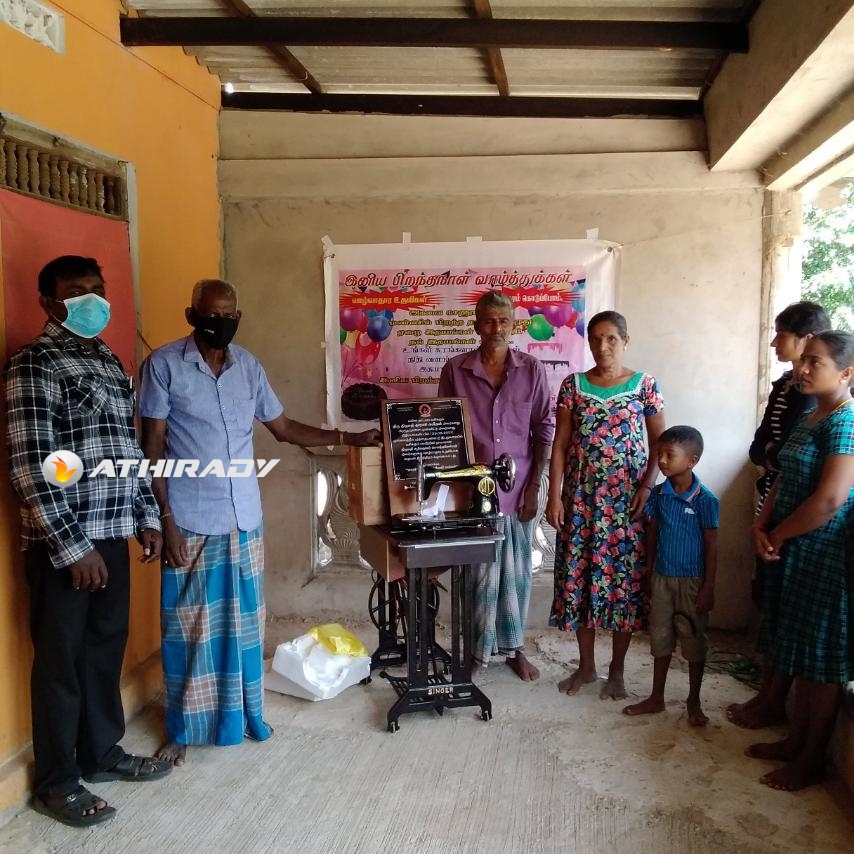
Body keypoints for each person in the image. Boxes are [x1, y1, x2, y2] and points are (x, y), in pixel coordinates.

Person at [139, 279, 379, 765]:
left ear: (238, 318)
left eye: (229, 315)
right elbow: (152, 447)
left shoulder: (247, 367)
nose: (221, 323)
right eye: (211, 314)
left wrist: (347, 438)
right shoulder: (163, 366)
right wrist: (165, 520)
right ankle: (183, 728)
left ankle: (244, 714)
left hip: (243, 518)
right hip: (190, 519)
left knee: (246, 626)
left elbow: (283, 428)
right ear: (191, 315)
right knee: (190, 629)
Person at [4, 256, 170, 828]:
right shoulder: (34, 364)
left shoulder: (106, 360)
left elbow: (126, 451)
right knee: (61, 664)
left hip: (112, 534)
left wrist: (146, 515)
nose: (92, 301)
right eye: (77, 292)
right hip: (64, 547)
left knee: (103, 651)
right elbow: (31, 464)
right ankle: (57, 782)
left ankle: (100, 754)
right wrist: (74, 548)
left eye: (97, 290)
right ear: (49, 303)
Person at [746, 330, 854, 791]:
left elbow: (830, 499)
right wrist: (761, 524)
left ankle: (810, 760)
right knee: (797, 648)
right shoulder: (813, 414)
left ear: (846, 374)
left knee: (820, 664)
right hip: (792, 547)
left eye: (816, 363)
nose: (803, 369)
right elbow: (784, 476)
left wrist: (777, 534)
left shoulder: (845, 422)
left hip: (824, 555)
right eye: (804, 359)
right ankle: (794, 741)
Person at [547, 310, 665, 699]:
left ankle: (617, 670)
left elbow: (660, 445)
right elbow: (560, 444)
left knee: (622, 584)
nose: (603, 346)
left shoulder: (645, 386)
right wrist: (554, 496)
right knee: (580, 580)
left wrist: (647, 487)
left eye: (611, 338)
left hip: (626, 504)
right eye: (596, 338)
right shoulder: (573, 386)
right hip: (580, 502)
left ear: (625, 341)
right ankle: (586, 667)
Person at [437, 291, 554, 680]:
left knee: (518, 574)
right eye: (489, 321)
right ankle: (477, 652)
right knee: (476, 575)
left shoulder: (532, 370)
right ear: (476, 325)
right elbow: (447, 428)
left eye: (503, 321)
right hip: (474, 492)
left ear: (514, 325)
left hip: (518, 490)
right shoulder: (455, 370)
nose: (496, 328)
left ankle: (514, 649)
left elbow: (544, 429)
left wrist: (534, 486)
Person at [728, 300, 829, 729]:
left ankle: (774, 702)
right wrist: (777, 458)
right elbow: (760, 448)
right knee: (770, 602)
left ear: (808, 339)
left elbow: (798, 465)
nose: (774, 342)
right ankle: (768, 696)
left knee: (789, 612)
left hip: (797, 517)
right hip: (773, 501)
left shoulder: (826, 406)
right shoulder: (786, 387)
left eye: (782, 334)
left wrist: (777, 457)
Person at [622, 426, 718, 726]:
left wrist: (708, 587)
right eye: (659, 454)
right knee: (660, 638)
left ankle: (694, 701)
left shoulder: (705, 500)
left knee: (694, 642)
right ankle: (656, 697)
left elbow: (712, 546)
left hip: (692, 582)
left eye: (669, 455)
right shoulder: (659, 495)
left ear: (691, 460)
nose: (661, 460)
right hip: (662, 578)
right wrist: (649, 571)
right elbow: (651, 534)